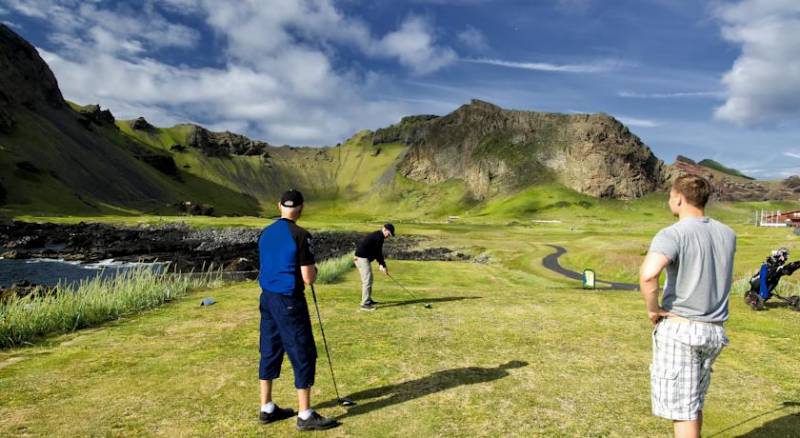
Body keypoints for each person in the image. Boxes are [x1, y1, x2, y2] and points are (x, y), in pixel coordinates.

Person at [639, 174, 736, 438]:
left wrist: (652, 309)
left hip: (682, 331)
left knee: (682, 411)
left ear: (679, 198)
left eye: (670, 196)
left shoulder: (673, 233)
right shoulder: (728, 234)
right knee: (693, 402)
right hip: (715, 331)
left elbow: (649, 275)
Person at [257, 189, 339, 431]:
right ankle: (305, 414)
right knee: (302, 351)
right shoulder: (301, 235)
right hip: (289, 300)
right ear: (301, 208)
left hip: (267, 298)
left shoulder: (265, 233)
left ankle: (267, 407)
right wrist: (315, 271)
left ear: (279, 205)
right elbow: (308, 278)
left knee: (269, 348)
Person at [354, 223, 395, 311]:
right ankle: (364, 304)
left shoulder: (379, 236)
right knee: (367, 280)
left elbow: (377, 253)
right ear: (384, 229)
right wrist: (382, 265)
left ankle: (368, 300)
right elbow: (378, 253)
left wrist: (382, 265)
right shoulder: (379, 237)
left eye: (390, 235)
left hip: (362, 258)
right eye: (389, 233)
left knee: (369, 279)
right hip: (362, 259)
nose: (389, 236)